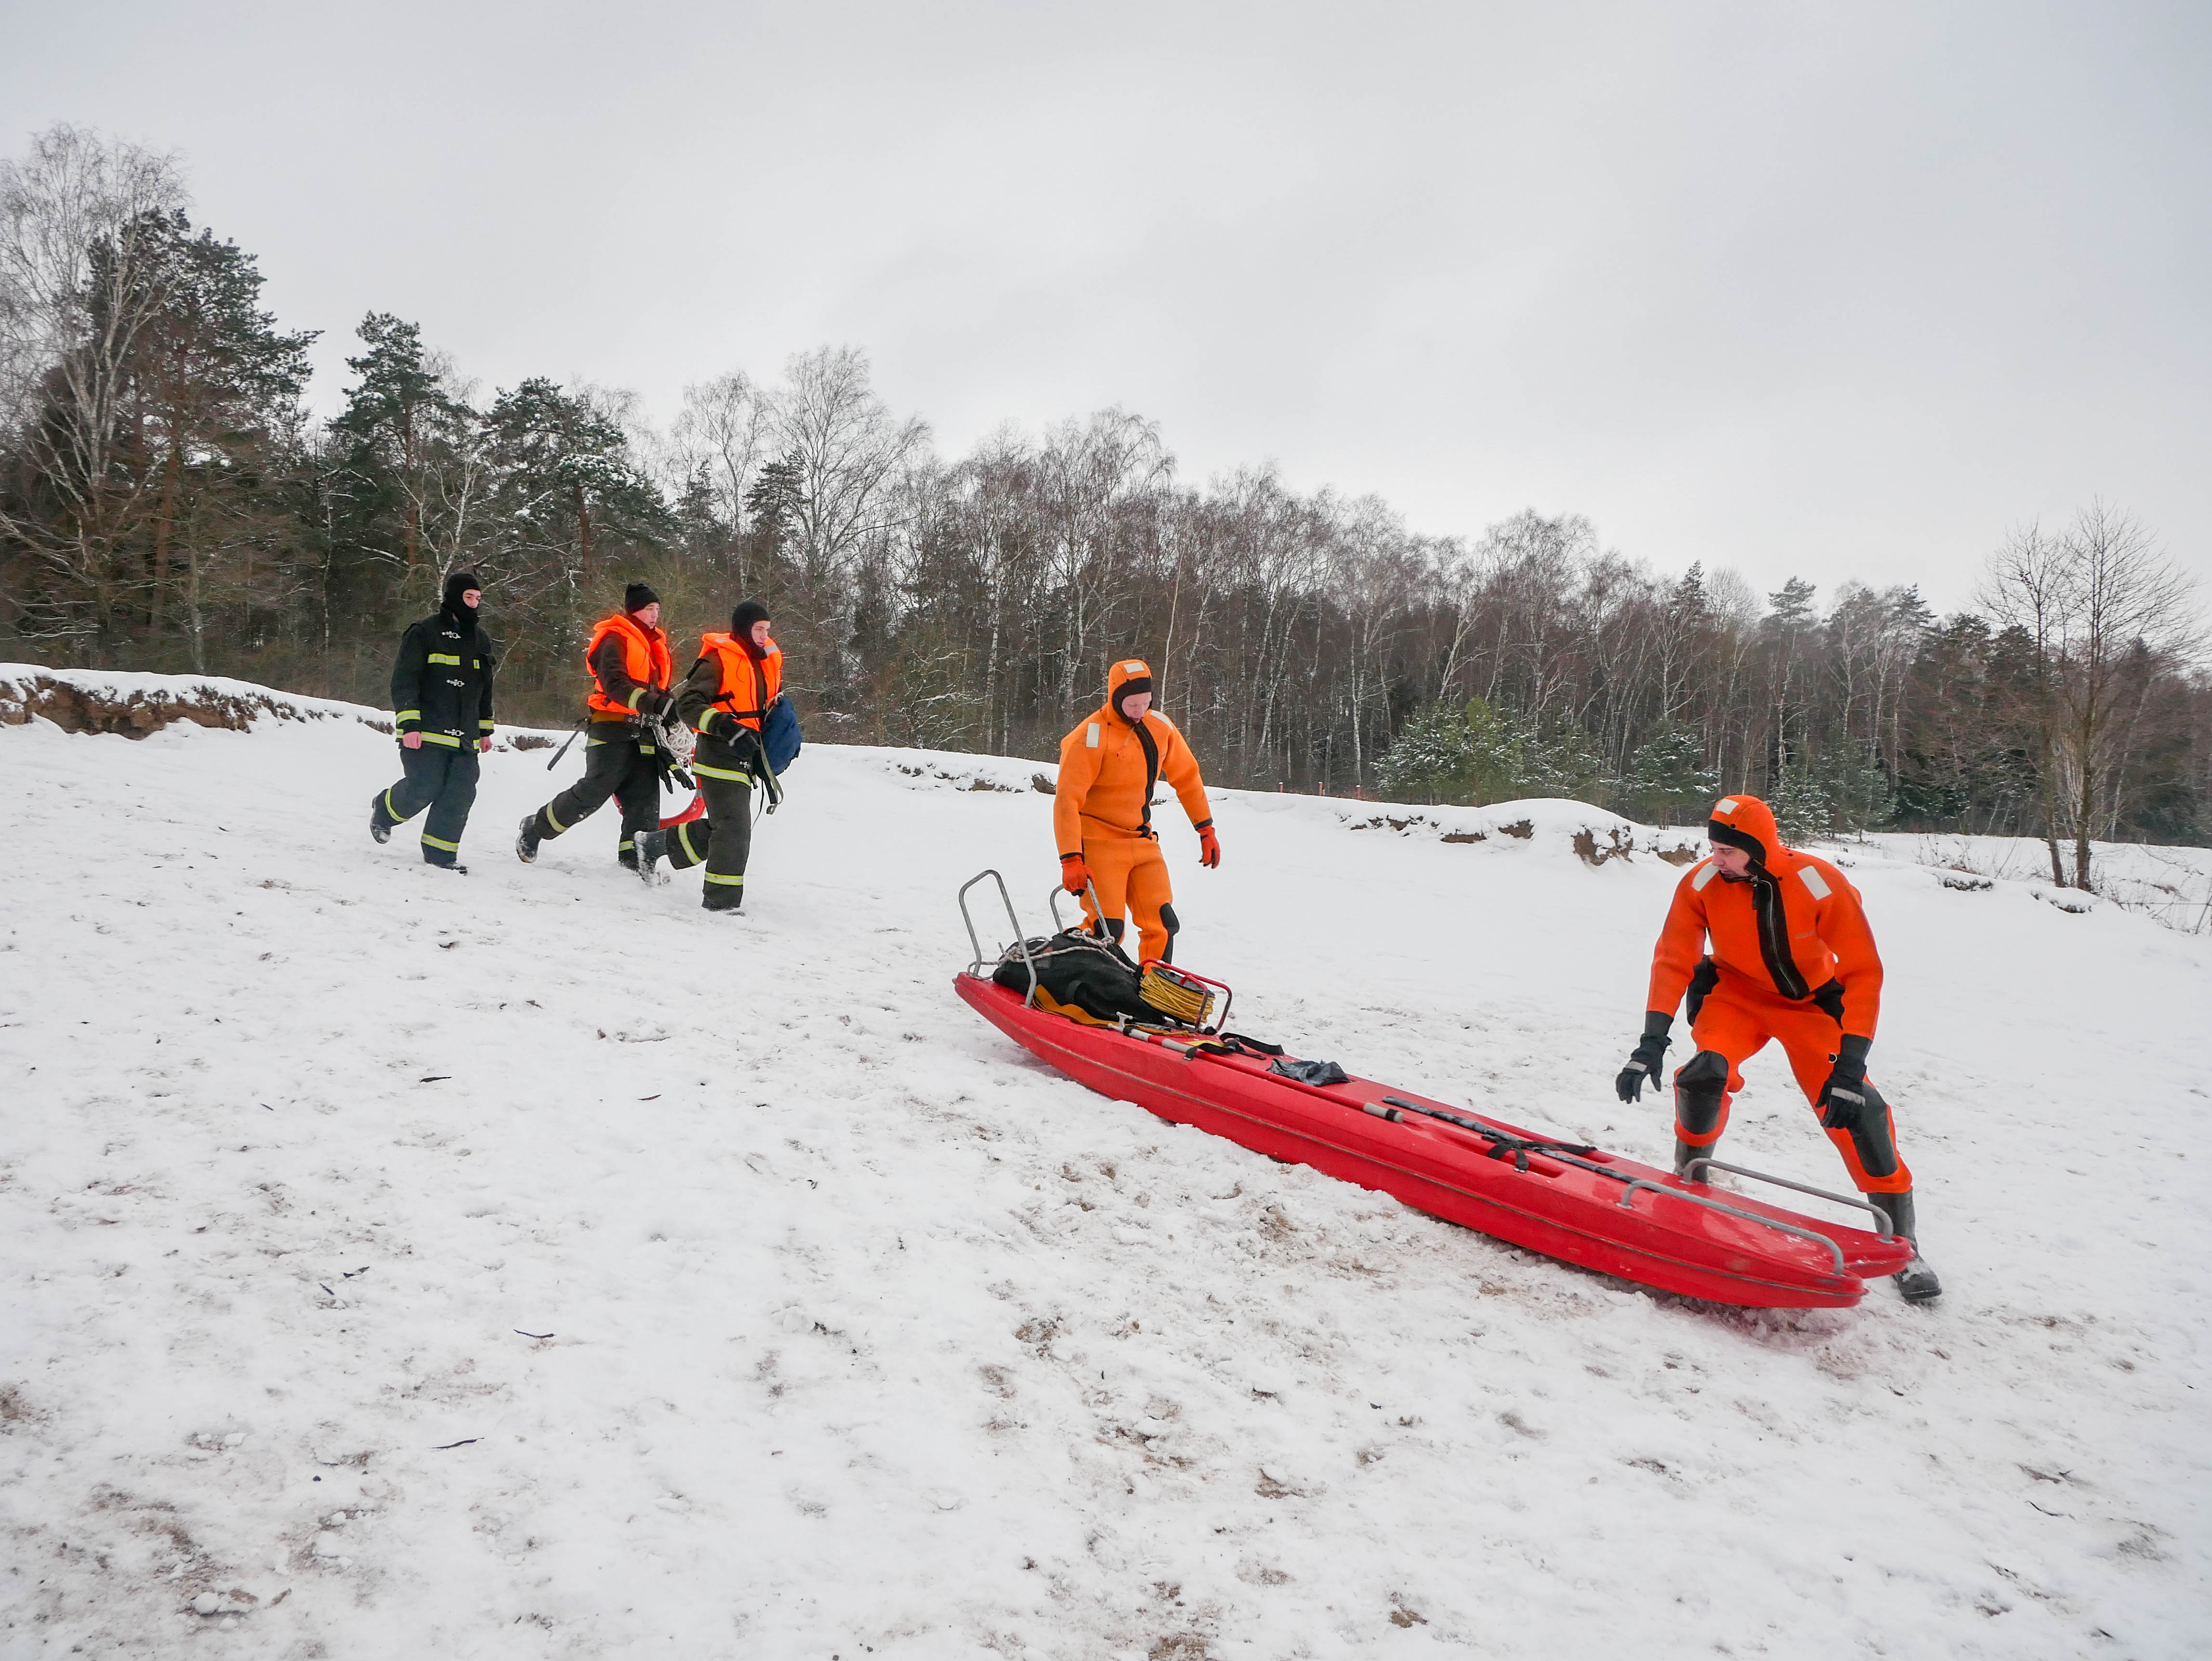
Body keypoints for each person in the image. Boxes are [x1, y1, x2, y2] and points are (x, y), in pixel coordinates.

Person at [1615, 792, 1941, 1301]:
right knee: (1704, 1075)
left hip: (1810, 1005)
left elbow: (1863, 973)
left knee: (1861, 1110)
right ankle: (1687, 1186)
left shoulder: (1817, 883)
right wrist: (1650, 1042)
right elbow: (1673, 958)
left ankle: (1903, 1243)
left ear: (1756, 848)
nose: (1715, 857)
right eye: (1713, 847)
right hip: (1735, 996)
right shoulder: (1701, 883)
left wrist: (1851, 1067)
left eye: (1726, 850)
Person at [1053, 656, 1218, 964]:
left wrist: (1205, 829)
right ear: (1115, 698)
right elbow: (1067, 801)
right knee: (1107, 930)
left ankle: (1153, 993)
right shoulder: (1090, 736)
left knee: (1164, 925)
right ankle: (1055, 971)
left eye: (1146, 703)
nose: (1140, 712)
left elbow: (1187, 777)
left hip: (1142, 842)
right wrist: (1071, 858)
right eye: (1132, 705)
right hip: (1098, 843)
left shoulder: (1161, 727)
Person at [515, 583, 675, 880]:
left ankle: (636, 864)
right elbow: (614, 684)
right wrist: (655, 703)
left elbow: (659, 691)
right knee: (593, 792)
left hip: (645, 732)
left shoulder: (656, 645)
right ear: (635, 610)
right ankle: (535, 827)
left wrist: (669, 712)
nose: (655, 615)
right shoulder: (615, 639)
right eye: (650, 609)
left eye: (657, 610)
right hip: (611, 726)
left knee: (645, 802)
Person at [642, 598, 783, 911]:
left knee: (726, 828)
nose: (764, 636)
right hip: (717, 754)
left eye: (767, 630)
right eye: (758, 629)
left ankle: (651, 846)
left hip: (748, 756)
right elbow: (688, 706)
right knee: (734, 828)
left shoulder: (764, 661)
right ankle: (721, 904)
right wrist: (725, 726)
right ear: (743, 628)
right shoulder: (718, 659)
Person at [370, 571, 496, 871]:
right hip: (426, 731)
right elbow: (404, 681)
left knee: (462, 792)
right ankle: (384, 809)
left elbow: (485, 688)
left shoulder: (481, 639)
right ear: (453, 597)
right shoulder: (423, 632)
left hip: (465, 737)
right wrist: (410, 725)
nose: (475, 604)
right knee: (424, 786)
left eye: (478, 599)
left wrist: (485, 730)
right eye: (469, 597)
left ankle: (440, 855)